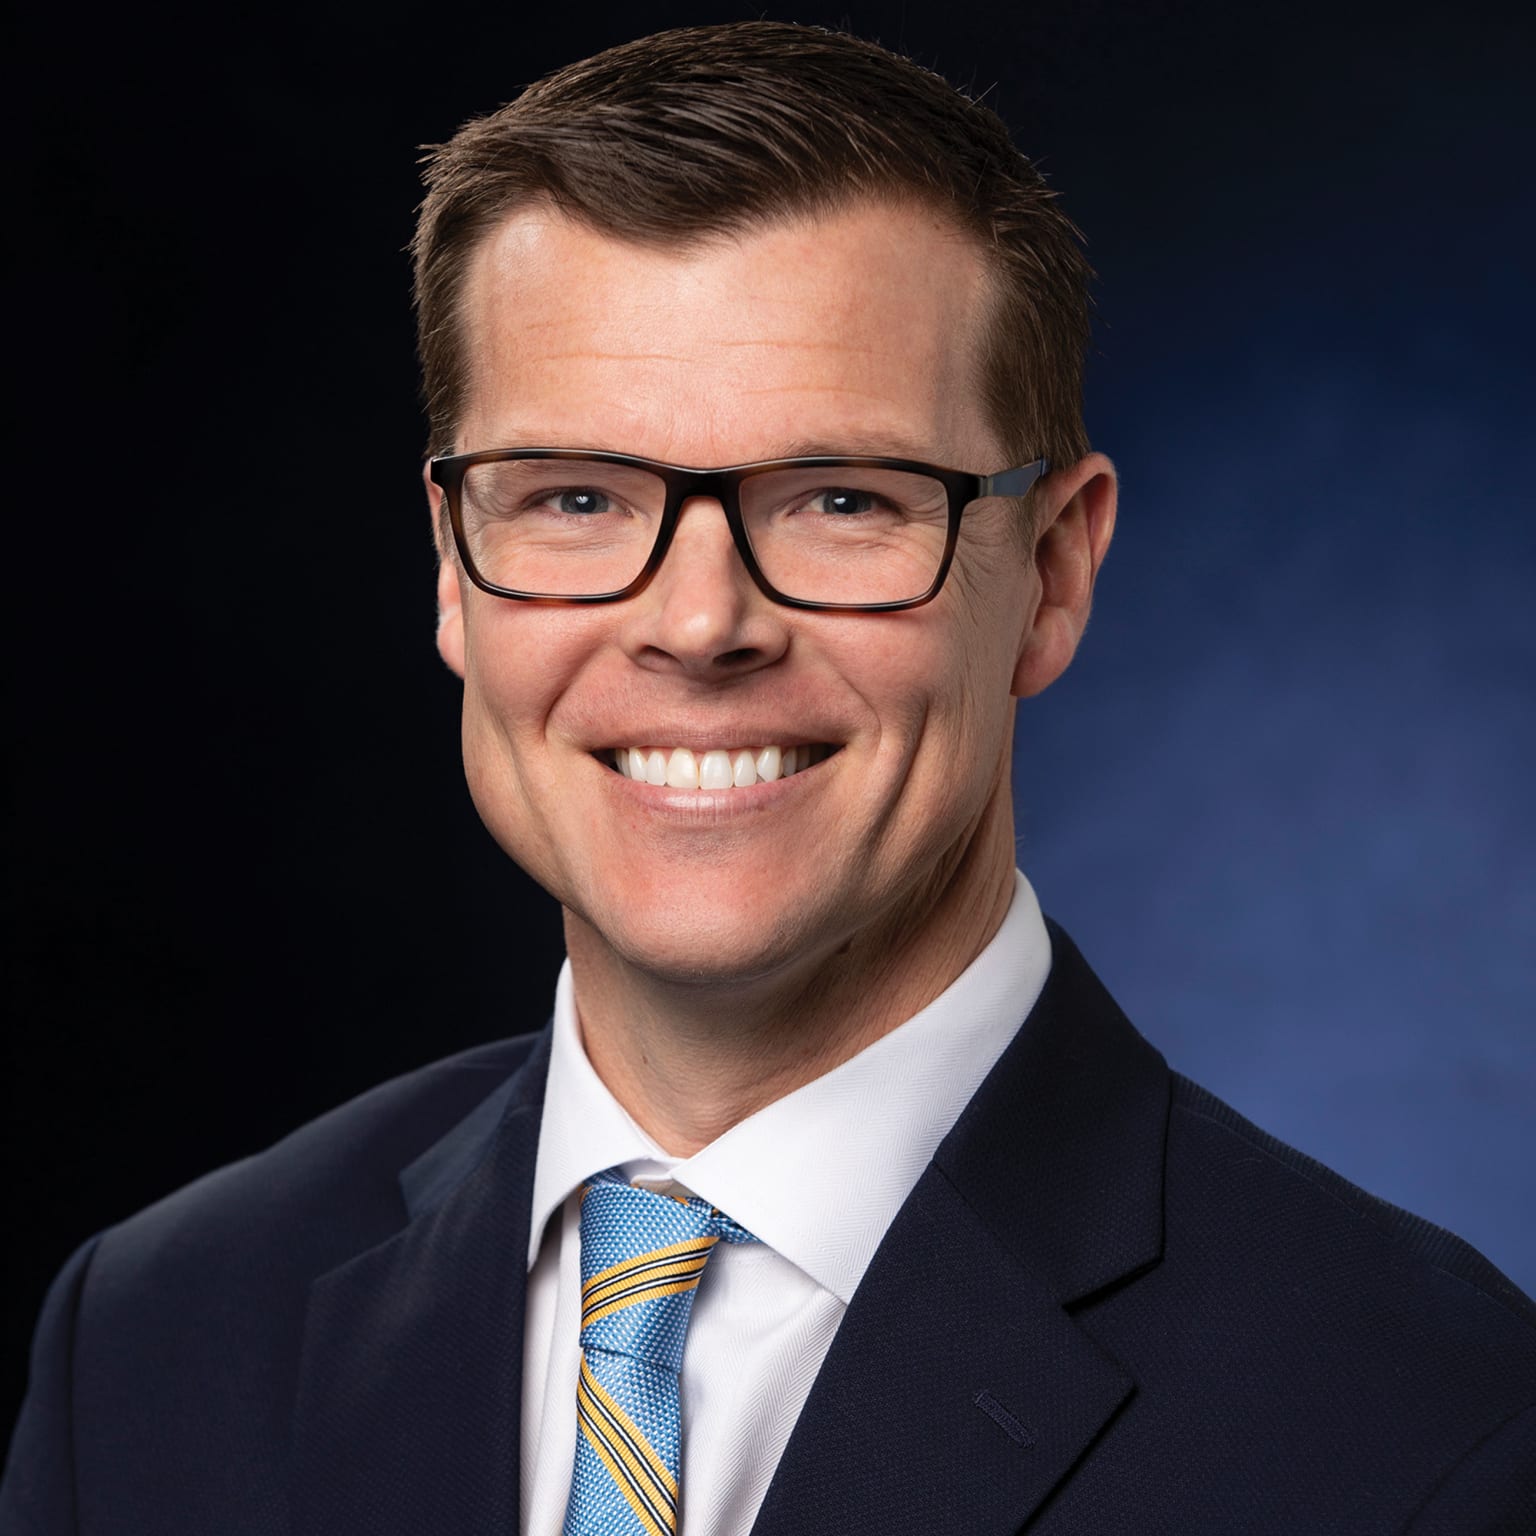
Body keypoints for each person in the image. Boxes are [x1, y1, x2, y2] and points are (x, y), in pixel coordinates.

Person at [4, 20, 1533, 1535]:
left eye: (842, 498)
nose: (699, 622)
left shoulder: (1429, 1440)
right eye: (577, 497)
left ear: (1055, 575)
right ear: (454, 574)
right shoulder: (155, 1342)